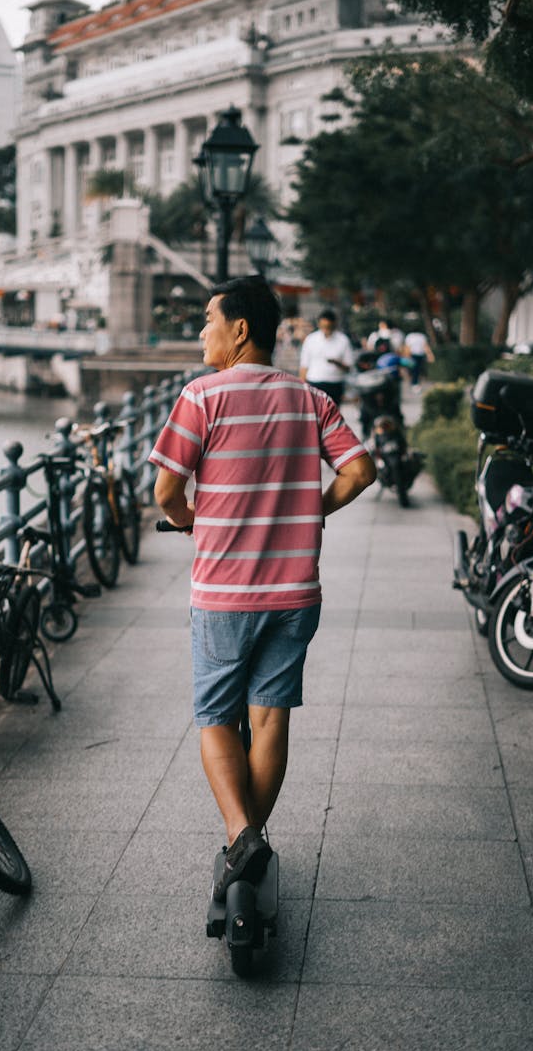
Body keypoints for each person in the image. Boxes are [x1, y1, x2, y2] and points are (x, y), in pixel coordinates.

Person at [150, 276, 375, 901]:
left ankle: (240, 839)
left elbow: (167, 492)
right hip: (295, 593)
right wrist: (313, 510)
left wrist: (189, 519)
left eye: (207, 320)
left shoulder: (201, 397)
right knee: (270, 718)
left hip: (225, 593)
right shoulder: (309, 399)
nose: (201, 332)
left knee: (216, 717)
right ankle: (249, 844)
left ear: (239, 329)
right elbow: (360, 470)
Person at [298, 309, 355, 406]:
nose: (326, 329)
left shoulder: (343, 340)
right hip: (315, 383)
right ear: (319, 324)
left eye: (329, 327)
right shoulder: (311, 339)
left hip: (335, 384)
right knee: (316, 414)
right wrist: (301, 388)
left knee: (333, 415)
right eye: (323, 326)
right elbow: (304, 365)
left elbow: (349, 367)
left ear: (334, 324)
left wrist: (337, 363)